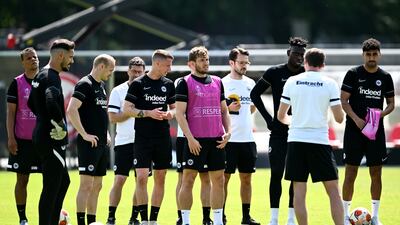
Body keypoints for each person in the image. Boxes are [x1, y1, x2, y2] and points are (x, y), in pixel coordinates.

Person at [277, 48, 344, 225]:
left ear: (305, 63)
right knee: (333, 191)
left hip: (296, 141)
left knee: (299, 190)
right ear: (323, 64)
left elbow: (280, 116)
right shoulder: (330, 83)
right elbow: (339, 118)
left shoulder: (292, 81)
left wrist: (293, 121)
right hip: (319, 141)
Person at [250, 37, 308, 225]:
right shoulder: (275, 72)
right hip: (279, 133)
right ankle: (274, 218)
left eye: (302, 54)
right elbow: (254, 94)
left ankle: (291, 219)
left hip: (299, 132)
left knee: (295, 175)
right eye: (296, 53)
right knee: (276, 173)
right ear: (288, 53)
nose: (299, 57)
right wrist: (268, 119)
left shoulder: (306, 74)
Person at [341, 38, 395, 225]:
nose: (371, 57)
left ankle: (376, 216)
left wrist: (380, 116)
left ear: (379, 54)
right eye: (368, 54)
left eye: (374, 54)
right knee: (350, 173)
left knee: (376, 173)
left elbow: (391, 104)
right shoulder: (353, 74)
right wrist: (356, 119)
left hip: (375, 131)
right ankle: (345, 216)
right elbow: (344, 100)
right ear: (363, 55)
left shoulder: (386, 77)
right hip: (354, 131)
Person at [176, 46, 231, 225]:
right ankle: (185, 221)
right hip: (195, 140)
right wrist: (190, 138)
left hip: (216, 139)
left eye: (207, 60)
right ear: (192, 63)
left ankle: (217, 221)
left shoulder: (217, 81)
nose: (206, 63)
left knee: (219, 180)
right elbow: (179, 114)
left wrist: (228, 131)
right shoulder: (184, 82)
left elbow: (224, 110)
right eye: (201, 60)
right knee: (188, 179)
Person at [123, 49, 176, 225]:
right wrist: (147, 113)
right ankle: (143, 220)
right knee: (142, 177)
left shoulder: (168, 84)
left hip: (162, 138)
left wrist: (170, 113)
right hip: (143, 138)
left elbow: (175, 108)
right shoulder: (138, 84)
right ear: (157, 63)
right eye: (168, 65)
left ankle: (153, 220)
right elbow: (127, 109)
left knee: (160, 178)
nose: (170, 68)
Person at [28, 39, 75, 225]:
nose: (71, 61)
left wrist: (44, 120)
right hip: (50, 139)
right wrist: (59, 125)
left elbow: (32, 103)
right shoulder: (52, 76)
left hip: (43, 135)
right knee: (51, 188)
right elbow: (50, 100)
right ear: (60, 55)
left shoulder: (41, 75)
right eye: (70, 57)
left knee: (63, 182)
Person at [67, 54, 116, 225]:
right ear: (101, 66)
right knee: (86, 185)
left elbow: (99, 113)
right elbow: (71, 110)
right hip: (89, 144)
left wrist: (106, 134)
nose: (111, 73)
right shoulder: (84, 84)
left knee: (97, 186)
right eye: (110, 70)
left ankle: (91, 222)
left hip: (101, 142)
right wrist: (84, 134)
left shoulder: (101, 85)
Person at [106, 57, 146, 225]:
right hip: (123, 142)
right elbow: (113, 117)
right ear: (128, 71)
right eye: (134, 71)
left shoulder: (148, 90)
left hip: (144, 143)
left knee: (141, 181)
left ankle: (133, 218)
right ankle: (111, 217)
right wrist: (133, 112)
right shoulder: (118, 91)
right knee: (119, 179)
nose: (136, 74)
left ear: (144, 72)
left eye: (140, 72)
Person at [222, 47, 260, 225]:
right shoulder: (221, 83)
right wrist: (227, 109)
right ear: (232, 63)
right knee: (224, 179)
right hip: (228, 139)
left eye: (247, 63)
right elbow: (215, 110)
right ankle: (219, 215)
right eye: (241, 62)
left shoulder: (251, 83)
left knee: (246, 179)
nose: (245, 66)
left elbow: (252, 107)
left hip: (247, 139)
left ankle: (246, 217)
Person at [6, 47, 40, 225]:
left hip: (43, 141)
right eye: (28, 58)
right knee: (22, 179)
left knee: (52, 179)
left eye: (34, 57)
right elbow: (11, 113)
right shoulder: (16, 83)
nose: (33, 60)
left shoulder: (47, 80)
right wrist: (11, 138)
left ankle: (48, 215)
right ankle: (23, 218)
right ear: (23, 62)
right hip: (22, 141)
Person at [174, 78, 213, 225]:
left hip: (204, 137)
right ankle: (182, 217)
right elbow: (176, 109)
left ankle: (206, 218)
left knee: (206, 178)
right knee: (183, 178)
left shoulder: (211, 83)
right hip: (183, 137)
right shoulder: (180, 82)